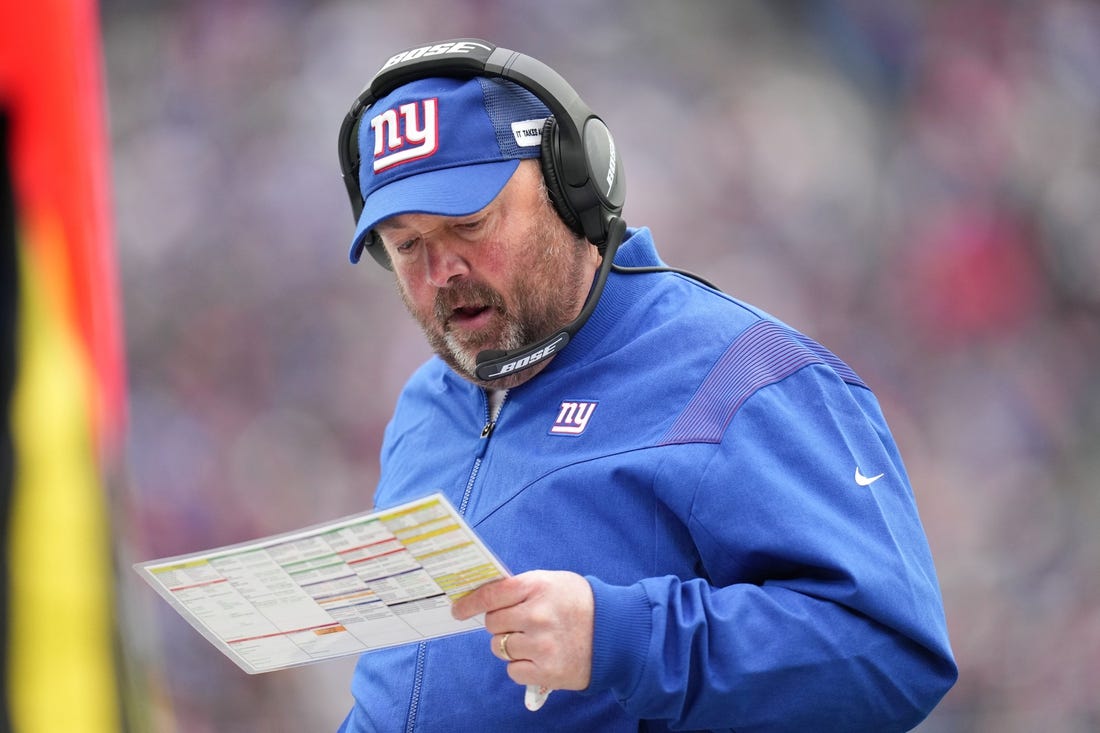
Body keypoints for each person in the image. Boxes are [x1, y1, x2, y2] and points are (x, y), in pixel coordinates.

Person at [334, 39, 957, 732]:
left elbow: (890, 653)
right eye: (407, 244)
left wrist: (619, 637)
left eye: (469, 223)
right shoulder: (425, 405)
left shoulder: (742, 373)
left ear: (572, 187)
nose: (441, 268)